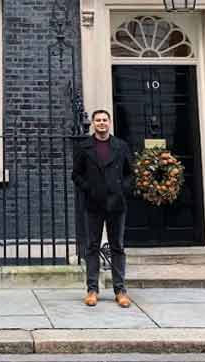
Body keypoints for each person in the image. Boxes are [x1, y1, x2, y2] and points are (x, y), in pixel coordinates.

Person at [72, 109, 133, 308]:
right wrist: (89, 189)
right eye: (97, 120)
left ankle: (120, 290)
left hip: (116, 203)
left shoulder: (121, 146)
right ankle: (92, 289)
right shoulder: (84, 147)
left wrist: (122, 189)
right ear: (93, 123)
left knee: (117, 247)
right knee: (92, 246)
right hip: (94, 203)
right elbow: (76, 174)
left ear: (110, 122)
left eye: (104, 120)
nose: (101, 123)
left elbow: (130, 173)